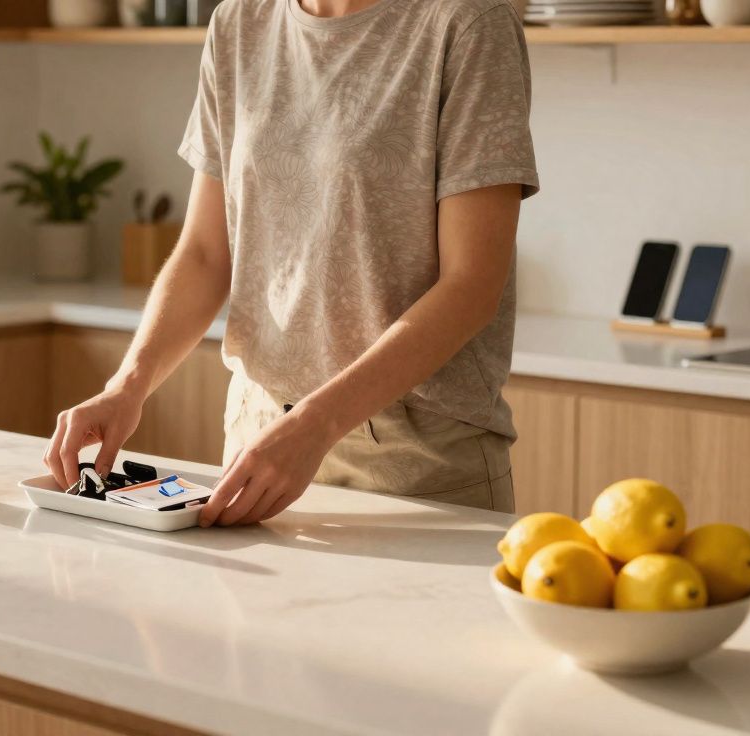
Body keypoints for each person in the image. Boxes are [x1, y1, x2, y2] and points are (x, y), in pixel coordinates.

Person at [44, 0, 539, 527]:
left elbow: (470, 286)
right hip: (256, 446)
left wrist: (315, 426)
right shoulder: (239, 23)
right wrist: (128, 385)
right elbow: (207, 254)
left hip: (414, 461)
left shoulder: (467, 23)